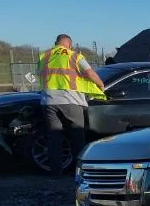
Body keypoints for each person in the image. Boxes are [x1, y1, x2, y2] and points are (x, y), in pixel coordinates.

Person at [37, 34, 106, 175]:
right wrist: (101, 84)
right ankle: (79, 172)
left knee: (54, 138)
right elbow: (90, 73)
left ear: (56, 43)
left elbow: (39, 74)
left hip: (48, 101)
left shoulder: (44, 56)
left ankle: (56, 173)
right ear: (69, 43)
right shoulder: (73, 55)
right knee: (77, 137)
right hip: (71, 101)